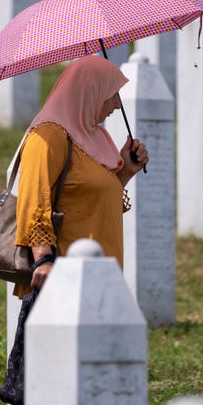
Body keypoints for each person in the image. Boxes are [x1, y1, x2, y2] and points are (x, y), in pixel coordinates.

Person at [13, 56, 149, 295]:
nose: (118, 104)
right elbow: (34, 202)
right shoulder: (47, 137)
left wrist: (126, 171)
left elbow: (93, 203)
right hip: (64, 274)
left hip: (101, 270)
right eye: (113, 93)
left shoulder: (95, 137)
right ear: (91, 91)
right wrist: (43, 260)